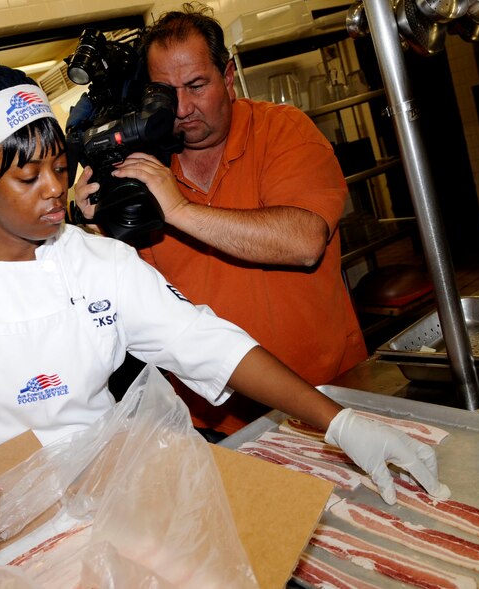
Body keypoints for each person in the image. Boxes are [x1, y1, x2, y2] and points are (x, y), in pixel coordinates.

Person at [0, 64, 447, 528]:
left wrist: (337, 421)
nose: (55, 190)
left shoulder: (99, 263)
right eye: (27, 176)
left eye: (59, 166)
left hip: (125, 495)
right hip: (2, 515)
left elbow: (207, 343)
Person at [73, 3, 368, 437]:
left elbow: (305, 243)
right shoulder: (140, 167)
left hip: (326, 392)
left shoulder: (283, 131)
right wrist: (96, 227)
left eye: (197, 85)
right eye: (166, 92)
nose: (184, 107)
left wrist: (178, 211)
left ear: (227, 77)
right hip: (213, 418)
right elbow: (127, 302)